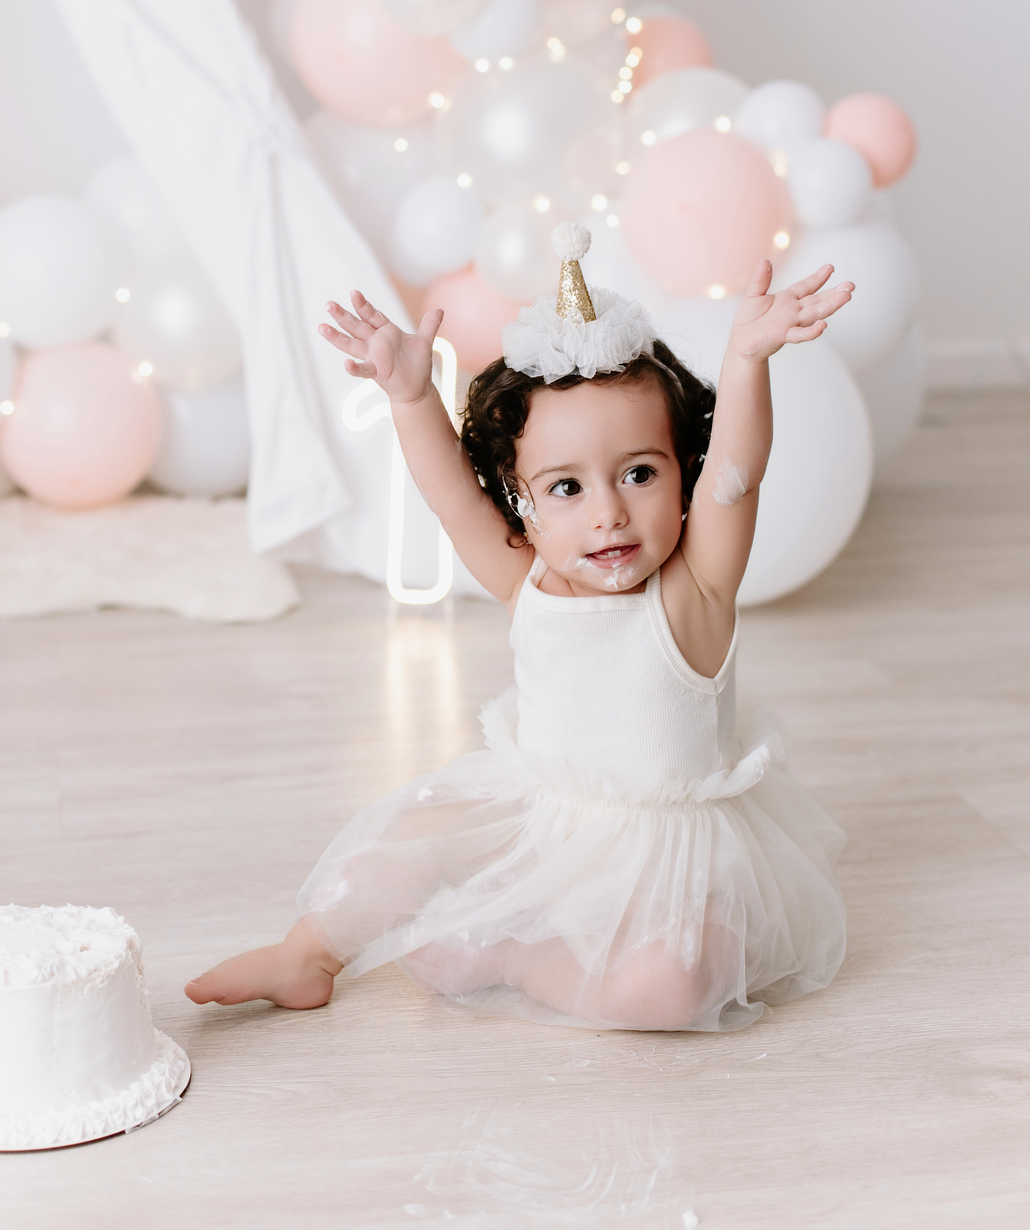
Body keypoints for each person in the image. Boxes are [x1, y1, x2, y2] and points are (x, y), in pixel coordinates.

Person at [187, 224, 852, 1031]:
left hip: (670, 863)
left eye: (639, 473)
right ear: (522, 504)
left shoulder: (695, 591)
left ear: (685, 474)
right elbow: (451, 497)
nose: (608, 512)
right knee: (417, 834)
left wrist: (747, 362)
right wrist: (411, 397)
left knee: (673, 987)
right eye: (566, 487)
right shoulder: (527, 578)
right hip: (544, 824)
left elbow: (738, 480)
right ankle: (308, 954)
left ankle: (513, 954)